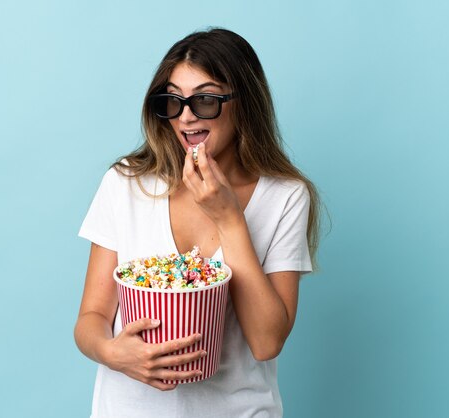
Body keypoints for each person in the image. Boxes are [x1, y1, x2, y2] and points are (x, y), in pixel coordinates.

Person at [75, 28, 321, 418]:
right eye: (173, 101)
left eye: (205, 100)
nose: (187, 116)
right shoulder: (126, 184)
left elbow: (266, 342)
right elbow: (90, 319)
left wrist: (230, 220)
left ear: (244, 104)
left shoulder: (285, 196)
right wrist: (112, 352)